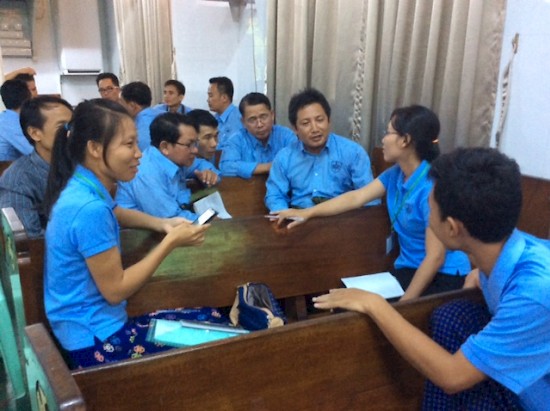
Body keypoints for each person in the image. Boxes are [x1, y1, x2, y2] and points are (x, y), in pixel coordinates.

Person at [313, 147, 550, 411]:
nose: (426, 207)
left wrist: (375, 304)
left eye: (430, 205)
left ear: (451, 228)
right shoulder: (504, 251)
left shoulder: (534, 290)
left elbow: (452, 377)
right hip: (529, 363)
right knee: (451, 317)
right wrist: (483, 277)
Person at [43, 99, 225, 368]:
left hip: (85, 326)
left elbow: (115, 211)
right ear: (94, 148)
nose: (139, 153)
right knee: (221, 336)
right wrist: (170, 243)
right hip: (96, 340)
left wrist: (161, 224)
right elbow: (116, 291)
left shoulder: (82, 184)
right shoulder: (88, 209)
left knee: (212, 317)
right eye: (128, 145)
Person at [274, 104, 470, 299]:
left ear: (405, 140)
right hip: (408, 268)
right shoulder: (395, 174)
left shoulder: (430, 187)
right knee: (344, 300)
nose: (383, 139)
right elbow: (356, 197)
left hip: (443, 276)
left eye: (388, 133)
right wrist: (306, 213)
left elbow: (435, 257)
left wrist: (405, 305)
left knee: (362, 309)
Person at [265, 88, 378, 212]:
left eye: (319, 120)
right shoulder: (284, 157)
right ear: (295, 129)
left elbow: (370, 198)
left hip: (341, 220)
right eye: (306, 123)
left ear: (329, 121)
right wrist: (285, 215)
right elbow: (275, 196)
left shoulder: (353, 152)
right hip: (298, 220)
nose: (315, 129)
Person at [116, 112, 219, 221]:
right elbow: (171, 219)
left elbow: (201, 164)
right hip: (139, 236)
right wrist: (209, 221)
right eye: (189, 145)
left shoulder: (176, 160)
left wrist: (209, 173)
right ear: (165, 147)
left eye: (195, 143)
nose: (195, 150)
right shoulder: (147, 173)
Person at [0, 96, 73, 237]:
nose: (70, 133)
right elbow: (28, 241)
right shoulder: (19, 180)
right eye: (62, 127)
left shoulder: (82, 165)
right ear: (35, 133)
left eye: (72, 125)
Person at [219, 92, 295, 179]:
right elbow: (226, 167)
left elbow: (296, 161)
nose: (259, 124)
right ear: (243, 122)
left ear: (272, 115)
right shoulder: (236, 140)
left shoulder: (285, 135)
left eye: (263, 117)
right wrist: (268, 167)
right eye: (252, 119)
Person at [120, 81, 163, 151]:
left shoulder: (138, 132)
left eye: (122, 103)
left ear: (132, 106)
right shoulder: (163, 115)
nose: (120, 107)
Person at [0, 79, 33, 161]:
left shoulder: (5, 118)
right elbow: (34, 152)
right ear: (28, 98)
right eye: (33, 90)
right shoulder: (12, 123)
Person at [207, 76, 241, 149]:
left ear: (224, 98)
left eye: (211, 96)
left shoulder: (238, 118)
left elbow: (233, 147)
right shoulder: (214, 118)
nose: (208, 100)